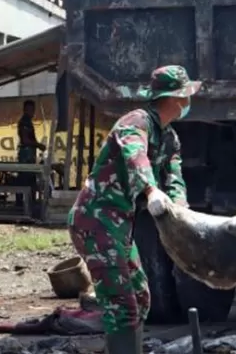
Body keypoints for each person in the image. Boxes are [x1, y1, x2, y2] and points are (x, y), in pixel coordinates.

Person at [67, 65, 199, 354]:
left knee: (140, 299)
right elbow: (134, 156)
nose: (190, 101)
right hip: (95, 220)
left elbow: (175, 178)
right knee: (122, 307)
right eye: (187, 95)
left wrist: (181, 211)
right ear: (177, 99)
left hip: (120, 226)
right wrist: (150, 190)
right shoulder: (136, 122)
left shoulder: (169, 138)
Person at [16, 100, 46, 208]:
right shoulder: (24, 122)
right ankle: (21, 205)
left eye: (33, 109)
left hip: (30, 156)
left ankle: (29, 204)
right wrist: (38, 145)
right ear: (25, 110)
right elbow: (25, 140)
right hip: (26, 157)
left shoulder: (28, 122)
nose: (31, 112)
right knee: (24, 180)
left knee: (30, 180)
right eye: (29, 109)